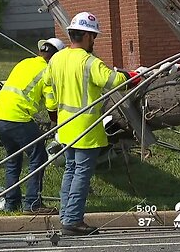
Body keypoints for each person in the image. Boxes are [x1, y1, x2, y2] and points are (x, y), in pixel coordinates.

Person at [43, 12, 141, 235]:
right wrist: (133, 76)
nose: (94, 40)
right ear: (86, 36)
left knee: (70, 170)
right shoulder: (90, 62)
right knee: (81, 174)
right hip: (85, 128)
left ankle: (65, 215)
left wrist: (52, 111)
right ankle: (73, 220)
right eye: (93, 36)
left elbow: (47, 85)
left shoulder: (57, 58)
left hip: (65, 126)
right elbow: (114, 82)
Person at [0, 38, 65, 215]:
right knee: (38, 156)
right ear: (55, 57)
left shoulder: (24, 62)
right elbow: (51, 102)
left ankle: (11, 203)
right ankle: (33, 203)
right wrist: (55, 123)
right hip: (18, 117)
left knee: (13, 159)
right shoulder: (48, 70)